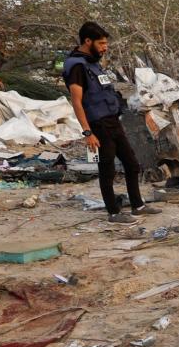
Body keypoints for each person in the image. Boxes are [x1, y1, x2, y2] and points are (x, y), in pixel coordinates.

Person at [63, 21, 159, 224]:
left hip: (113, 121)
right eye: (101, 43)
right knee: (107, 169)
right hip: (98, 125)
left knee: (132, 164)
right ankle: (114, 213)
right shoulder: (76, 66)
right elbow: (77, 102)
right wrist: (88, 133)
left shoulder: (93, 63)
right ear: (87, 41)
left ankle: (137, 205)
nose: (105, 47)